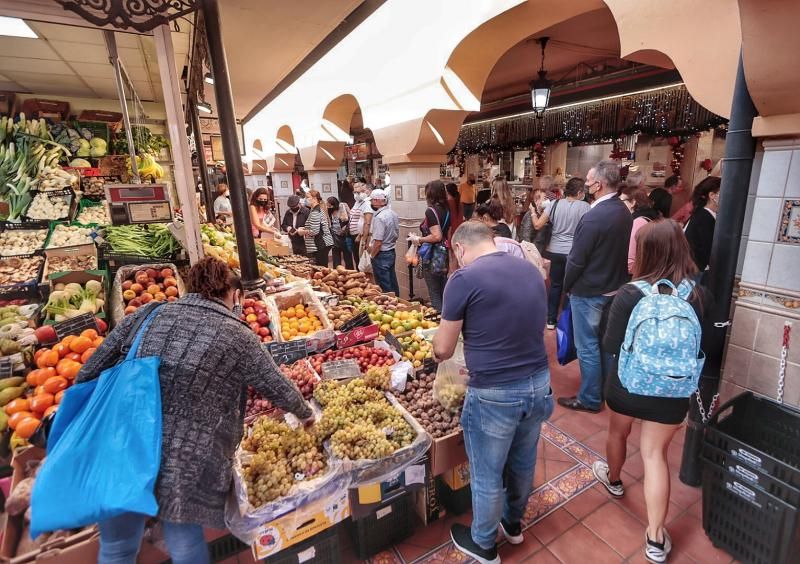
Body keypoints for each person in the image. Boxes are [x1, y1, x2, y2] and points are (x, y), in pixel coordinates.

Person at [75, 258, 312, 564]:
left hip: (124, 442)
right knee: (184, 541)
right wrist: (305, 414)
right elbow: (275, 383)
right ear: (231, 292)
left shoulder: (150, 312)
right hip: (184, 456)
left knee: (118, 546)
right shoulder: (236, 333)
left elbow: (91, 368)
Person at [432, 221, 552, 564]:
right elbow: (520, 324)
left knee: (486, 471)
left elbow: (443, 347)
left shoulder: (464, 278)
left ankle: (483, 543)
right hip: (539, 384)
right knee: (523, 461)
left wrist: (440, 352)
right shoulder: (530, 269)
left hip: (495, 394)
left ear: (459, 248)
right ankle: (512, 525)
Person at [594, 220, 709, 564]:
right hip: (673, 390)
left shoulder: (631, 293)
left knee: (618, 432)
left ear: (644, 252)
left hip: (627, 385)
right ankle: (656, 538)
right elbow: (707, 346)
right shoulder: (698, 295)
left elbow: (610, 344)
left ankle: (613, 480)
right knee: (654, 456)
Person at [560, 160, 633, 413]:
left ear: (599, 185)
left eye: (589, 182)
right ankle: (605, 390)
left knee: (587, 345)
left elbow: (577, 259)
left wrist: (566, 287)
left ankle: (590, 398)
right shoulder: (623, 210)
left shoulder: (594, 217)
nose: (587, 186)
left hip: (589, 290)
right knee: (603, 342)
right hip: (613, 286)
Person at [531, 177, 590, 328]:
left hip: (555, 250)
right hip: (574, 252)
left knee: (556, 285)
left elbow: (538, 225)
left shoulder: (554, 204)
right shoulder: (586, 207)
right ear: (579, 192)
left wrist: (532, 212)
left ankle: (550, 319)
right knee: (571, 287)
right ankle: (566, 319)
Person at [409, 180, 451, 312]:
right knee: (444, 291)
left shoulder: (431, 211)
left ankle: (438, 322)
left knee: (434, 293)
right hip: (445, 255)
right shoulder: (447, 209)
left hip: (432, 256)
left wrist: (418, 239)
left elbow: (436, 236)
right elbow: (446, 234)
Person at [620, 183, 661, 274]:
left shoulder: (637, 222)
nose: (619, 204)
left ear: (633, 202)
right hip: (650, 270)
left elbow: (630, 261)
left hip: (638, 274)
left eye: (621, 201)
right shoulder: (651, 216)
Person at [683, 176, 721, 272]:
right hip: (697, 272)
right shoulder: (705, 217)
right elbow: (707, 250)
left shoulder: (701, 214)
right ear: (712, 195)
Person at [368, 188, 400, 295]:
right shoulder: (393, 213)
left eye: (372, 200)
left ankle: (391, 306)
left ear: (377, 201)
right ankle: (399, 303)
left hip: (381, 255)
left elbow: (378, 242)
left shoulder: (379, 218)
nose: (371, 203)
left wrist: (372, 256)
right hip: (391, 251)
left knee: (384, 286)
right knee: (392, 281)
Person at [296, 189, 333, 267]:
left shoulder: (316, 212)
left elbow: (314, 231)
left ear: (315, 198)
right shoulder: (316, 209)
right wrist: (304, 228)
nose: (306, 199)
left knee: (321, 268)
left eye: (307, 197)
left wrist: (302, 232)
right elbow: (315, 226)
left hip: (320, 244)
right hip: (321, 244)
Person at [349, 182, 373, 269]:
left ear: (365, 191)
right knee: (356, 258)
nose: (356, 194)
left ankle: (363, 279)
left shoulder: (367, 203)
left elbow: (367, 222)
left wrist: (362, 238)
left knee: (362, 261)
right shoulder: (357, 202)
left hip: (361, 236)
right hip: (354, 235)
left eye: (358, 192)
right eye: (354, 192)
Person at [327, 197, 354, 269]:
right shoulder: (329, 212)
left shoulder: (342, 207)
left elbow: (350, 218)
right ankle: (336, 273)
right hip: (335, 236)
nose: (329, 206)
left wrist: (346, 227)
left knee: (347, 256)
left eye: (330, 205)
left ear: (334, 204)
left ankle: (350, 272)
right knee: (336, 258)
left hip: (345, 236)